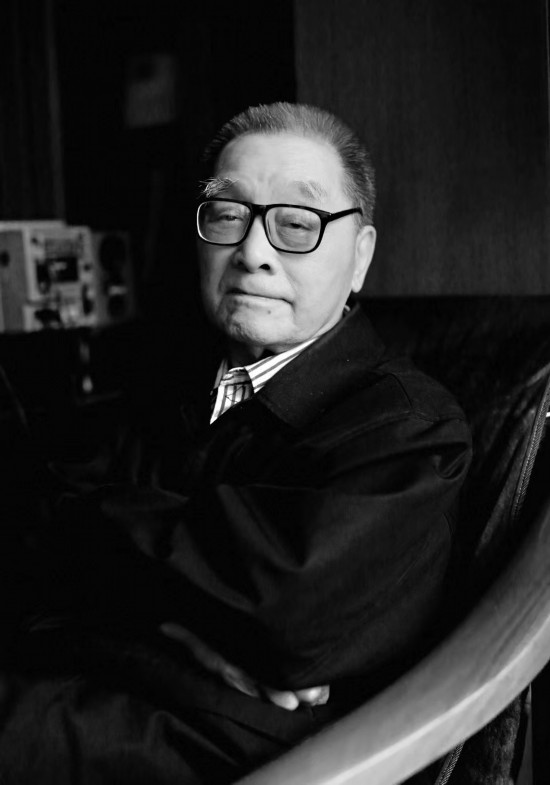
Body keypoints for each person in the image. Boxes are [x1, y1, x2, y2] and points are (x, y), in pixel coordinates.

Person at [0, 102, 471, 784]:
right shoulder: (164, 383)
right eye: (227, 215)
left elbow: (289, 617)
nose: (253, 252)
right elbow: (30, 534)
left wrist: (104, 548)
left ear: (361, 255)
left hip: (251, 754)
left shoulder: (410, 427)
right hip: (100, 684)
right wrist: (180, 625)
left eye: (297, 224)